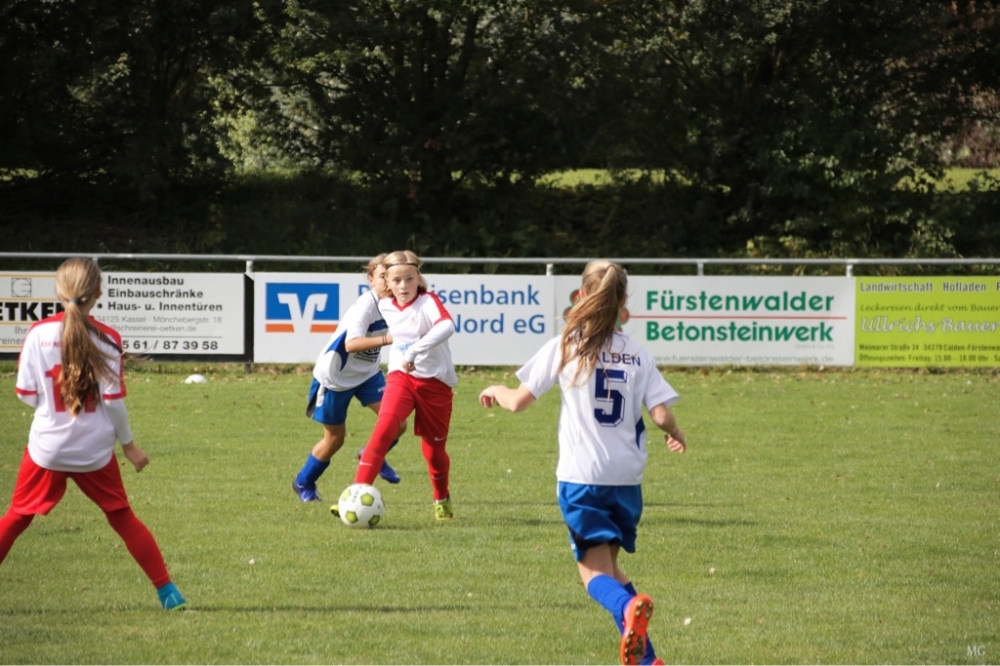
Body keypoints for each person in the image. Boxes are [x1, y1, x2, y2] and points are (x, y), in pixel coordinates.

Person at [478, 260, 687, 665]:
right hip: (627, 480)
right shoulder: (638, 354)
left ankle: (629, 609)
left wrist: (496, 389)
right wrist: (676, 433)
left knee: (593, 575)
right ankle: (649, 660)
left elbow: (518, 402)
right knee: (611, 569)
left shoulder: (566, 344)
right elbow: (661, 415)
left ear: (583, 295)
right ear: (623, 302)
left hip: (582, 478)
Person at [1, 257, 187, 611]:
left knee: (17, 517)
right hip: (94, 451)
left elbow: (26, 395)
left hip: (48, 449)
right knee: (122, 517)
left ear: (58, 292)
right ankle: (168, 593)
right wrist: (129, 446)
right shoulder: (107, 338)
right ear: (98, 293)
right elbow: (113, 402)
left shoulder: (37, 334)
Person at [293, 254, 407, 503]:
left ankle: (371, 453)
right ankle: (303, 482)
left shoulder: (398, 303)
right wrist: (390, 339)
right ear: (371, 279)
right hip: (335, 378)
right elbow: (352, 344)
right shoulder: (366, 304)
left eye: (392, 276)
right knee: (335, 439)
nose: (388, 282)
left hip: (368, 375)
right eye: (382, 276)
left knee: (398, 422)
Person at [354, 250, 457, 521]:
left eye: (409, 279)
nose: (403, 286)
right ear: (387, 282)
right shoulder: (383, 303)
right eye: (397, 280)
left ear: (418, 278)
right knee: (384, 428)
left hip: (435, 384)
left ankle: (441, 498)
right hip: (401, 377)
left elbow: (447, 326)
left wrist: (413, 351)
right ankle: (356, 495)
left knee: (434, 452)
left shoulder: (428, 301)